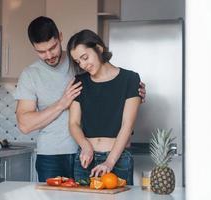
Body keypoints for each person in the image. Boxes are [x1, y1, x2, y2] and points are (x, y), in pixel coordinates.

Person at [14, 16, 146, 182]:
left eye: (53, 47)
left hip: (86, 152)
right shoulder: (30, 75)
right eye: (41, 52)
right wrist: (62, 104)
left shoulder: (78, 58)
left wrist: (134, 91)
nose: (48, 55)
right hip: (53, 155)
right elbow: (25, 125)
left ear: (60, 37)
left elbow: (109, 79)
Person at [67, 29, 142, 185]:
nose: (83, 64)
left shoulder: (130, 79)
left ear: (99, 49)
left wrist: (109, 162)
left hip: (118, 159)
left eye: (85, 57)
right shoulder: (79, 82)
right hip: (85, 159)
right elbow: (73, 123)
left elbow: (127, 126)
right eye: (78, 61)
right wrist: (85, 146)